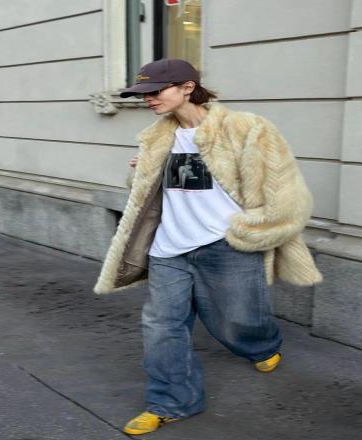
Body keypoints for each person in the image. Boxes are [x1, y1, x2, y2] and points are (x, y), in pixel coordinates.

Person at [93, 58, 323, 435]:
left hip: (226, 245)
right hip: (169, 247)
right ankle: (172, 401)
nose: (148, 99)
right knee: (161, 325)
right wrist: (139, 171)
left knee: (237, 319)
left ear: (187, 88)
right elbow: (148, 192)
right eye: (143, 94)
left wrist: (250, 232)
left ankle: (261, 345)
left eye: (156, 91)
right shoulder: (157, 136)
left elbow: (288, 195)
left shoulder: (246, 128)